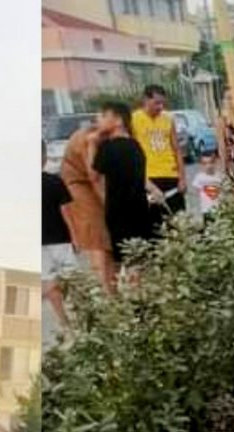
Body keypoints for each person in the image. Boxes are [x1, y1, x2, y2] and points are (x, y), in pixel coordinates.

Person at [58, 107, 117, 293]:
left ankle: (110, 286)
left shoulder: (104, 138)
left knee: (106, 238)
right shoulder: (87, 140)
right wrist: (110, 205)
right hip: (78, 186)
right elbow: (95, 178)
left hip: (89, 185)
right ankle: (103, 288)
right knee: (96, 238)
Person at [93, 100, 159, 266]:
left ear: (118, 120)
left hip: (118, 214)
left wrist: (91, 145)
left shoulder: (107, 147)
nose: (98, 121)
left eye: (103, 116)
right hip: (140, 210)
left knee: (127, 263)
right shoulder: (135, 146)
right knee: (140, 261)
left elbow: (93, 176)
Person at [132, 84, 184, 220]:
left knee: (178, 220)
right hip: (150, 177)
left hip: (170, 175)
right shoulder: (134, 119)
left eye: (162, 103)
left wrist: (182, 178)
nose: (160, 107)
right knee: (154, 223)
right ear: (145, 100)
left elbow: (176, 149)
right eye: (156, 103)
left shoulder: (168, 119)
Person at [43, 162, 77, 330]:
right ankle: (82, 313)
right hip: (60, 239)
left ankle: (64, 321)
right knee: (73, 278)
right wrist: (75, 238)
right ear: (45, 157)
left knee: (49, 282)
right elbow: (67, 214)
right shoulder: (54, 181)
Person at [186, 149, 227, 220]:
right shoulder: (199, 177)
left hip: (220, 208)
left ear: (215, 163)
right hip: (206, 210)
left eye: (211, 163)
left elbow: (225, 189)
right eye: (205, 163)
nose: (208, 166)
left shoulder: (220, 176)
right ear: (201, 165)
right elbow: (194, 192)